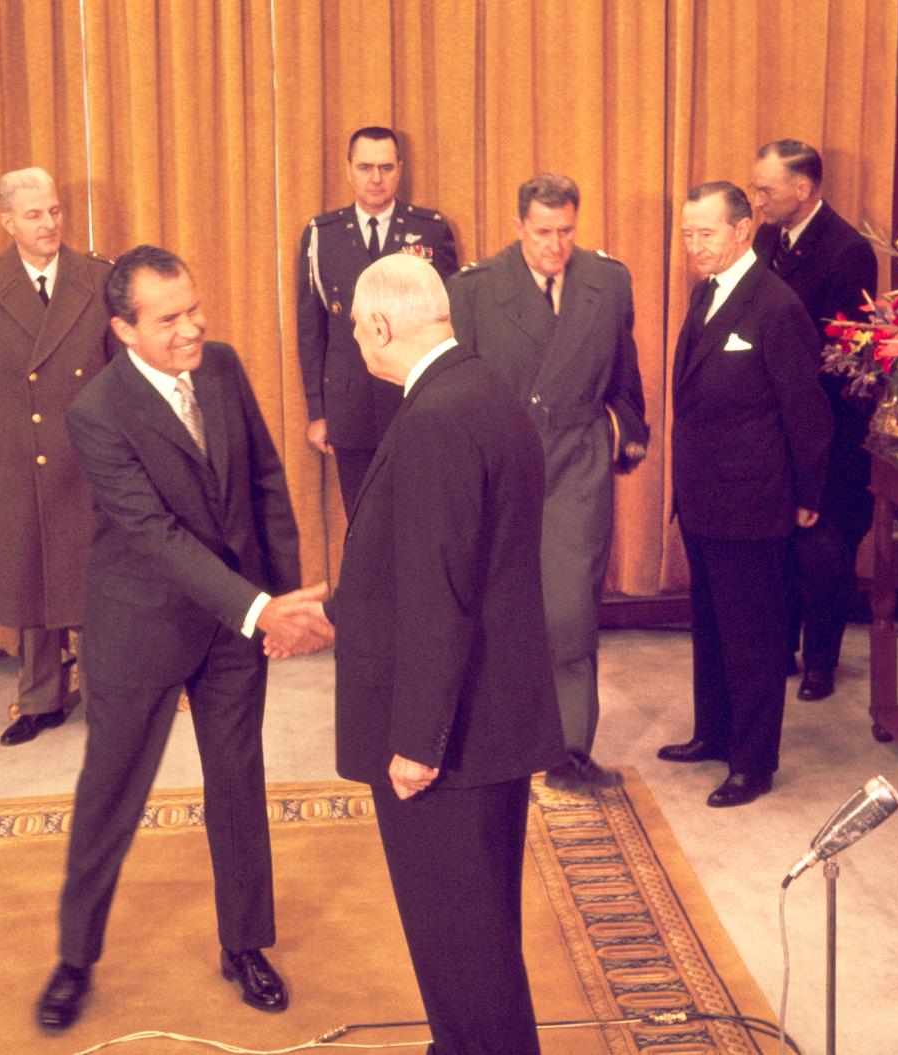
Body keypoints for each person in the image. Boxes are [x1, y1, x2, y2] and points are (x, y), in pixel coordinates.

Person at [35, 245, 328, 1032]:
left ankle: (244, 944)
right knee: (111, 790)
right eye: (171, 319)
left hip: (239, 622)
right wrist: (260, 608)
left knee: (237, 782)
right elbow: (156, 534)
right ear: (125, 329)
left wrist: (286, 600)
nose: (193, 327)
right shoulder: (96, 412)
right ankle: (75, 956)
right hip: (142, 625)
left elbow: (266, 481)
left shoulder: (225, 367)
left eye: (194, 309)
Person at [321, 253, 564, 1054]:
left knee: (460, 939)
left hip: (451, 737)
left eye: (357, 326)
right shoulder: (486, 388)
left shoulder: (431, 419)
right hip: (495, 714)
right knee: (481, 925)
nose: (356, 340)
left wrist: (415, 742)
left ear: (382, 325)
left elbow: (438, 594)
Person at [447, 173, 647, 794]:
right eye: (542, 233)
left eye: (565, 232)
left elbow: (625, 371)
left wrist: (629, 432)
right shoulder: (474, 290)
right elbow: (453, 388)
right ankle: (489, 742)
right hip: (499, 468)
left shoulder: (607, 282)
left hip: (576, 467)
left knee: (568, 613)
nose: (554, 246)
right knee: (492, 611)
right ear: (518, 227)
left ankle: (567, 754)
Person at [658, 182, 831, 808]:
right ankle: (715, 734)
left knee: (754, 637)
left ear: (740, 231)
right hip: (704, 497)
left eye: (706, 233)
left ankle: (752, 763)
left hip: (753, 501)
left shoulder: (775, 305)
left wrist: (807, 492)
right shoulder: (707, 292)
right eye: (687, 233)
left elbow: (806, 411)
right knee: (710, 626)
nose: (694, 244)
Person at [0, 167, 114, 745]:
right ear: (7, 221)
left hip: (89, 455)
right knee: (32, 578)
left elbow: (120, 372)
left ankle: (106, 698)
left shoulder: (98, 278)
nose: (49, 224)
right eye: (34, 214)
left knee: (92, 579)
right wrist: (11, 424)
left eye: (55, 211)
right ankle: (39, 699)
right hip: (17, 455)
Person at [751, 140, 879, 703]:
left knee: (827, 550)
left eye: (766, 190)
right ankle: (779, 647)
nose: (756, 201)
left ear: (802, 190)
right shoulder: (765, 240)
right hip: (775, 425)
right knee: (779, 543)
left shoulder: (848, 251)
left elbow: (844, 357)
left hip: (828, 429)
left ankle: (822, 662)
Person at [296, 126, 458, 512]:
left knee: (419, 514)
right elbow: (311, 331)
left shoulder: (431, 230)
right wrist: (318, 412)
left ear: (400, 169)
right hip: (349, 408)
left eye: (385, 167)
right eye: (365, 166)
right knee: (362, 517)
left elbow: (452, 324)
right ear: (348, 168)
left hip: (414, 403)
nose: (375, 178)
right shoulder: (322, 235)